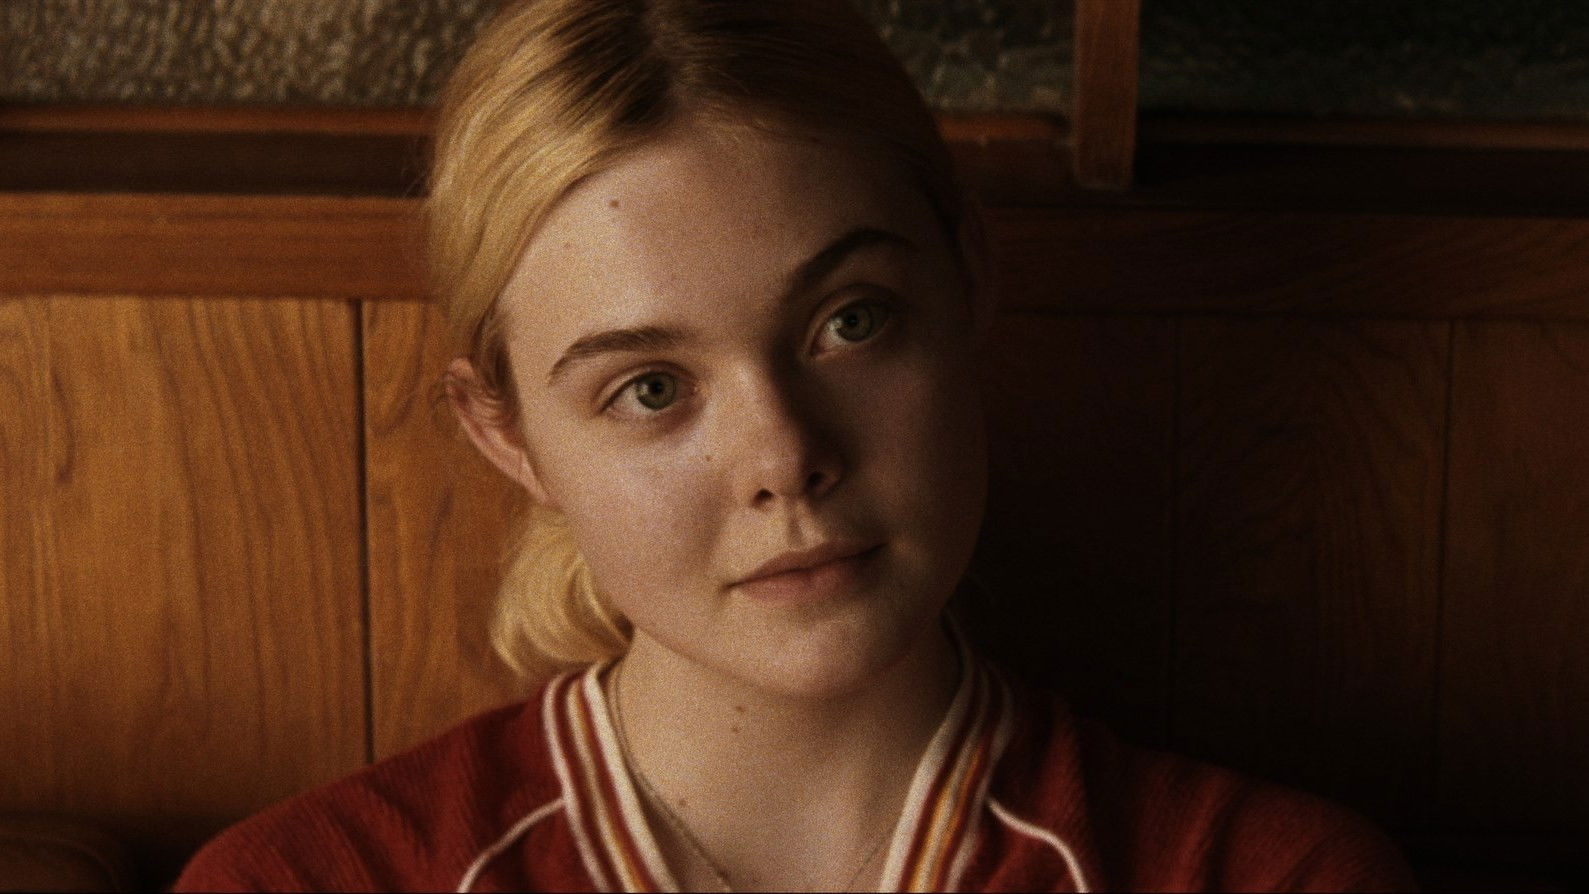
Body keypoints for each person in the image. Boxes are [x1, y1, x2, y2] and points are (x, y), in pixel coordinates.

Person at [174, 1, 1420, 891]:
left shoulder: (1263, 875)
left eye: (847, 323)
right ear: (508, 439)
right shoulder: (307, 881)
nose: (782, 457)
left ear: (967, 281)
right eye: (649, 388)